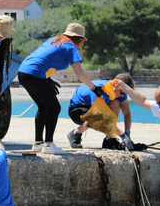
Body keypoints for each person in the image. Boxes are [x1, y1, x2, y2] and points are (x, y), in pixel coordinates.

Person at [18, 23, 103, 155]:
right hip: (35, 74)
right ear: (80, 39)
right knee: (54, 108)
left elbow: (43, 59)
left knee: (44, 107)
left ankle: (38, 144)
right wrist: (94, 88)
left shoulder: (54, 40)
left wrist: (48, 79)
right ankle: (48, 144)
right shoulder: (71, 47)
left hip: (23, 72)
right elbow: (80, 73)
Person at [67, 73, 135, 150]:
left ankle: (109, 139)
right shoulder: (100, 90)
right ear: (115, 84)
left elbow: (127, 113)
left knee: (116, 103)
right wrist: (122, 135)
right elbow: (103, 119)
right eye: (122, 93)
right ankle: (75, 133)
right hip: (76, 110)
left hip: (92, 108)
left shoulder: (119, 91)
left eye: (125, 93)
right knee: (99, 117)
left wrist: (127, 133)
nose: (123, 96)